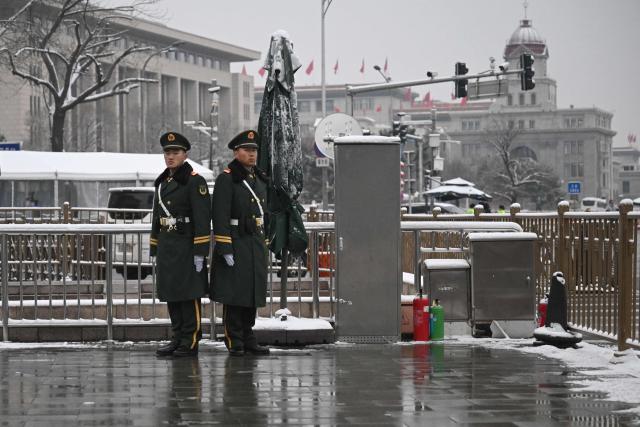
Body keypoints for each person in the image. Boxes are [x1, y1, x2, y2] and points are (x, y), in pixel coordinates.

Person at [151, 132, 211, 357]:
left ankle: (191, 339)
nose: (170, 157)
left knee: (188, 296)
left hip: (187, 246)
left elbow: (203, 219)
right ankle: (177, 337)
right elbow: (157, 216)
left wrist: (200, 252)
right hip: (168, 245)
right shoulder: (163, 181)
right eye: (167, 153)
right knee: (172, 295)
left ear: (185, 154)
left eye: (175, 152)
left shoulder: (195, 180)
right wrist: (155, 245)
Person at [211, 130, 270, 356]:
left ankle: (248, 336)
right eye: (247, 150)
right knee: (234, 295)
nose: (252, 154)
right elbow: (220, 215)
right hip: (235, 242)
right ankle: (234, 339)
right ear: (236, 152)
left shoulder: (258, 178)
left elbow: (264, 213)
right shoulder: (227, 178)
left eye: (254, 150)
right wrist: (225, 247)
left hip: (254, 242)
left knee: (251, 293)